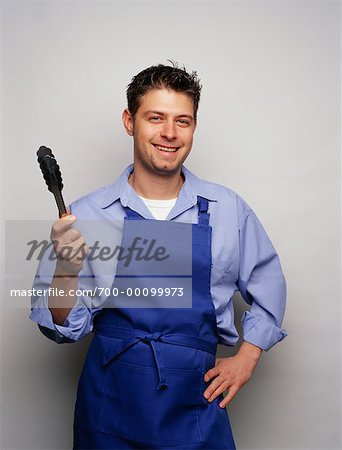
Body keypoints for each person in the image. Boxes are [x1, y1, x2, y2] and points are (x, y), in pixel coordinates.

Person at [30, 62, 287, 450]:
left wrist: (248, 357)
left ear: (194, 127)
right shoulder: (90, 215)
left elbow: (270, 285)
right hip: (110, 409)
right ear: (129, 121)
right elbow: (61, 327)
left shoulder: (226, 210)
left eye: (182, 121)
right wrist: (65, 271)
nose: (169, 133)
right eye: (156, 118)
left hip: (196, 409)